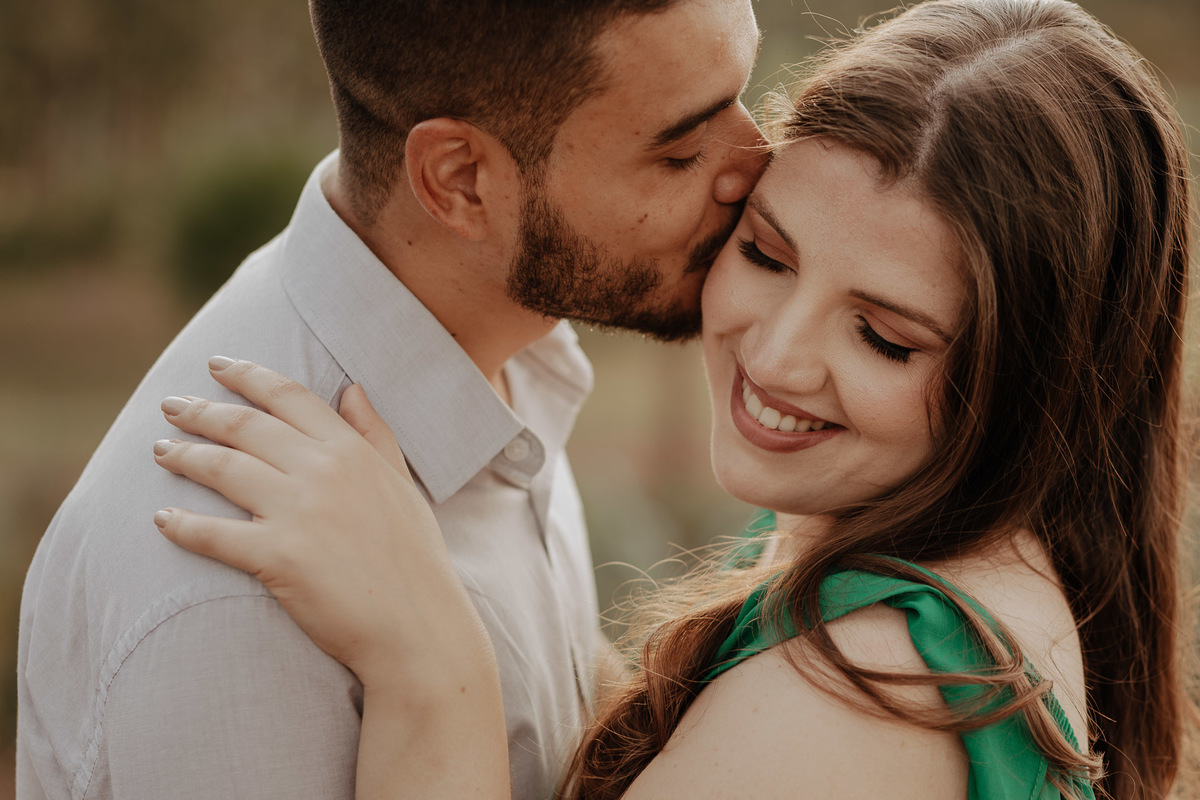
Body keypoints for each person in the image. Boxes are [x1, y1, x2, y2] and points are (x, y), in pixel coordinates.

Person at [148, 0, 1193, 798]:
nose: (777, 355)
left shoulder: (867, 695)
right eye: (769, 253)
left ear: (1040, 379)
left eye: (882, 336)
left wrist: (432, 666)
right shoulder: (859, 557)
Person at [15, 1, 764, 797]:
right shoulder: (233, 603)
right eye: (682, 150)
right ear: (461, 180)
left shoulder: (502, 345)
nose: (756, 164)